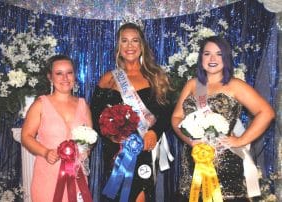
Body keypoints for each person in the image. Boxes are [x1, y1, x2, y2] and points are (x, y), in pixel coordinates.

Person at [171, 36, 275, 202]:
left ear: (226, 58)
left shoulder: (235, 85)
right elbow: (176, 117)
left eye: (218, 54)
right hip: (192, 163)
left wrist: (240, 140)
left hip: (225, 166)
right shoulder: (192, 84)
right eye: (207, 54)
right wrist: (188, 139)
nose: (212, 59)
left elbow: (266, 112)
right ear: (201, 58)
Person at [91, 22, 171, 202]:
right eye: (124, 41)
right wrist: (111, 137)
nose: (129, 46)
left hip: (145, 146)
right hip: (115, 151)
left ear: (141, 46)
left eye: (134, 41)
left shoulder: (156, 77)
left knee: (140, 196)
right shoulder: (108, 79)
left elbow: (167, 114)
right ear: (118, 46)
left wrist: (154, 132)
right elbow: (94, 116)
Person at [21, 54, 93, 202]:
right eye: (59, 73)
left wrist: (85, 150)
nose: (65, 78)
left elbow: (89, 140)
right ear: (50, 77)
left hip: (77, 176)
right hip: (48, 175)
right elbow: (26, 136)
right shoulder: (40, 104)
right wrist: (46, 152)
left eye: (69, 72)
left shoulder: (83, 105)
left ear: (75, 75)